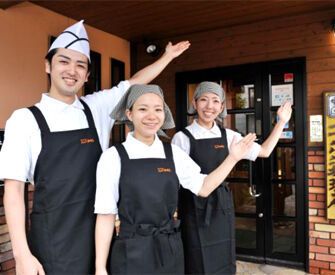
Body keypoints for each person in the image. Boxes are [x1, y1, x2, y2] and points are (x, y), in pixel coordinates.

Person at [0, 20, 190, 275]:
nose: (72, 70)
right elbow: (13, 192)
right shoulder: (24, 120)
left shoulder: (95, 108)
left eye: (81, 65)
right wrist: (22, 255)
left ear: (87, 75)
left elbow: (132, 84)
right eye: (64, 61)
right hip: (53, 243)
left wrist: (166, 57)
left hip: (100, 235)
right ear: (48, 65)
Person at [94, 84, 257, 275]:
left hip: (170, 248)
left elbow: (203, 187)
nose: (151, 116)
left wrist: (232, 158)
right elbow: (105, 215)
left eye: (157, 109)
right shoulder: (113, 157)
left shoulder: (173, 153)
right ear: (129, 114)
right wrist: (100, 267)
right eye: (142, 109)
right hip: (131, 250)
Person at [171, 81, 292, 274]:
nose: (209, 106)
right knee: (195, 256)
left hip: (221, 204)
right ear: (194, 104)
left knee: (223, 254)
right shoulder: (182, 138)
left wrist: (281, 121)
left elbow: (264, 151)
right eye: (203, 100)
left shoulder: (229, 135)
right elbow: (175, 180)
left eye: (215, 101)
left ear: (221, 107)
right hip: (193, 205)